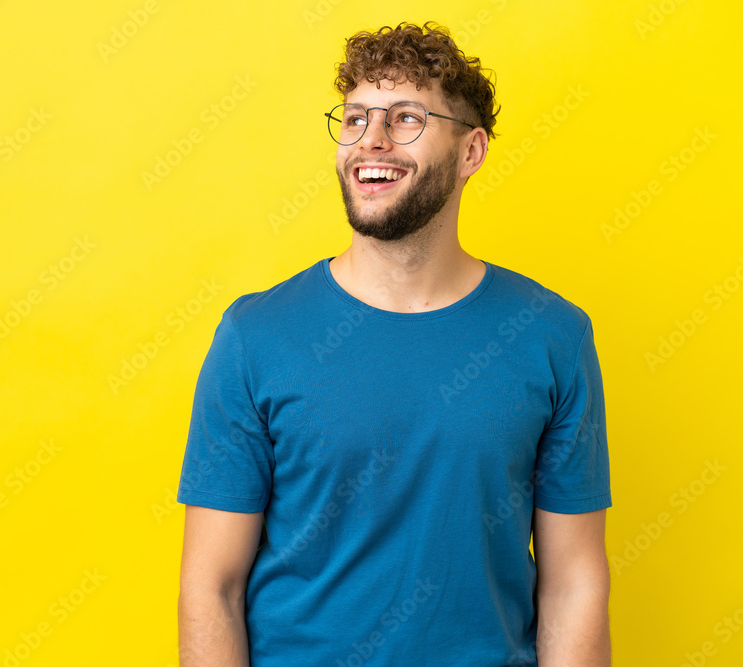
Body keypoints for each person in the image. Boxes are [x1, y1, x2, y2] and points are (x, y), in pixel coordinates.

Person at [176, 21, 612, 667]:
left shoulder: (551, 334)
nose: (370, 141)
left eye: (406, 117)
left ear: (471, 151)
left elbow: (575, 580)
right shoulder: (256, 334)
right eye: (355, 119)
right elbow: (211, 588)